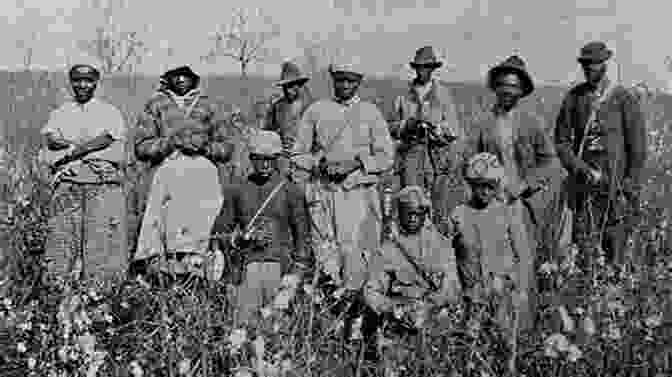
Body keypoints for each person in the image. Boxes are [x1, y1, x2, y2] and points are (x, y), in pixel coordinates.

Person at [465, 55, 567, 310]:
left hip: (520, 205)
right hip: (489, 203)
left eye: (514, 87)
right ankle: (490, 321)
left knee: (522, 263)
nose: (508, 92)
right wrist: (480, 186)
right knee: (489, 263)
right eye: (503, 86)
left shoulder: (531, 122)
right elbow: (467, 160)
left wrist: (523, 185)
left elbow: (550, 162)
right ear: (496, 88)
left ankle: (522, 324)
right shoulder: (483, 122)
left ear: (522, 91)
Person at [291, 58, 395, 292]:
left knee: (355, 253)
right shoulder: (316, 110)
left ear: (358, 83)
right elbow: (297, 153)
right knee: (325, 251)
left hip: (357, 195)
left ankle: (354, 306)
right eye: (340, 80)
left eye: (351, 81)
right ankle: (326, 305)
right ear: (333, 81)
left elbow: (387, 157)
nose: (345, 86)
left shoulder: (370, 113)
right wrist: (318, 164)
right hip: (323, 192)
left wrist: (356, 164)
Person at [132, 65, 235, 280]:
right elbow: (141, 147)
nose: (180, 79)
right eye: (175, 75)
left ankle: (203, 281)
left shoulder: (209, 105)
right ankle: (163, 278)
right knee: (162, 236)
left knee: (203, 237)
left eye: (185, 75)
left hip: (202, 177)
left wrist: (204, 146)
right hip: (167, 175)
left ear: (193, 78)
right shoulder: (156, 104)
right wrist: (169, 143)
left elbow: (226, 148)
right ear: (167, 79)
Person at [555, 41, 647, 266]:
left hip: (616, 188)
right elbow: (561, 142)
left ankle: (612, 294)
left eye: (594, 64)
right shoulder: (574, 98)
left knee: (616, 250)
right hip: (585, 187)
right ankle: (585, 291)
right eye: (585, 65)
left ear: (604, 65)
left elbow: (637, 147)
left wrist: (629, 184)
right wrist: (579, 168)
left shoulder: (623, 98)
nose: (588, 69)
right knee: (584, 247)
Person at [210, 130, 312, 324]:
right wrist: (240, 238)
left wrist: (295, 276)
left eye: (270, 159)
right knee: (242, 332)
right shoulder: (237, 190)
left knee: (275, 332)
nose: (265, 164)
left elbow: (303, 237)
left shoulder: (290, 191)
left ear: (277, 159)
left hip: (280, 268)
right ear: (251, 158)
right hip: (245, 269)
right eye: (259, 159)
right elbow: (219, 233)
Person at [40, 63, 128, 281]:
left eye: (88, 80)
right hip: (69, 181)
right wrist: (75, 150)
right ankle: (59, 291)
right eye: (77, 80)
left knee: (101, 240)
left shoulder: (109, 111)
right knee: (63, 239)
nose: (82, 85)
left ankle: (99, 295)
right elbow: (52, 140)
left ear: (96, 82)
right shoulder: (61, 112)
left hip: (101, 181)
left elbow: (107, 140)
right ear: (70, 82)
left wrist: (72, 151)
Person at [449, 152, 533, 373]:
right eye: (479, 185)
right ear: (471, 185)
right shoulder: (458, 215)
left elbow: (523, 256)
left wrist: (521, 289)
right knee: (469, 351)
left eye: (490, 186)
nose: (485, 191)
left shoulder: (507, 213)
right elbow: (448, 257)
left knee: (505, 348)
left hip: (502, 293)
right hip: (471, 296)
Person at [388, 46, 465, 233]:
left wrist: (437, 128)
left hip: (437, 158)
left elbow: (454, 128)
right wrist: (407, 125)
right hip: (411, 156)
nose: (423, 71)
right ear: (415, 69)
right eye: (420, 67)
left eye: (428, 67)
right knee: (411, 203)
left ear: (433, 69)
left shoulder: (443, 94)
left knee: (438, 208)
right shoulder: (403, 94)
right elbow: (390, 127)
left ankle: (437, 249)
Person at [364, 185, 461, 331]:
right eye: (408, 213)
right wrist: (394, 309)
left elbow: (452, 285)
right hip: (399, 319)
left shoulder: (441, 246)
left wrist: (430, 305)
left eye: (417, 213)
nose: (412, 218)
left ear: (425, 214)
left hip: (434, 316)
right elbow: (371, 291)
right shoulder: (387, 251)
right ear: (399, 213)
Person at [263, 61, 313, 179]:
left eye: (291, 86)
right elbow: (267, 134)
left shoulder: (311, 107)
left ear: (299, 85)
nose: (287, 90)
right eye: (285, 87)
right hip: (283, 161)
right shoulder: (277, 107)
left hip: (305, 161)